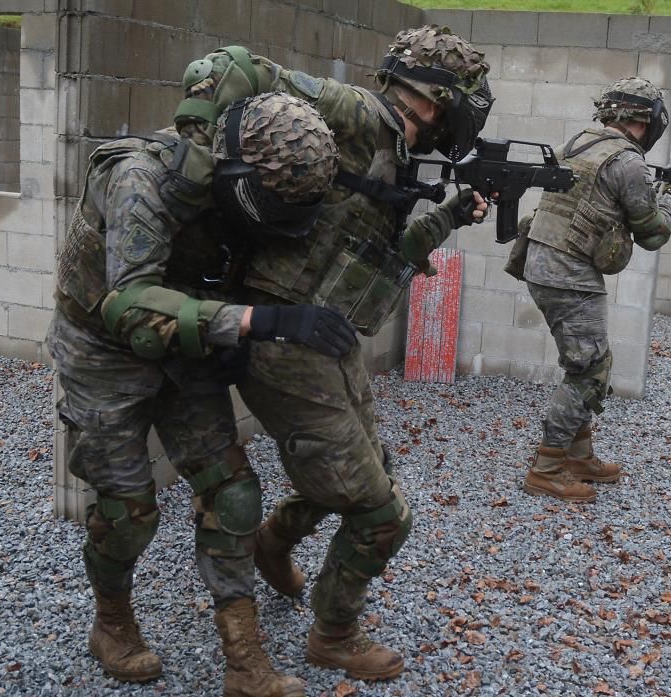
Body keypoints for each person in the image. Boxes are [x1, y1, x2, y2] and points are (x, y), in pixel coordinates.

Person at [182, 26, 493, 681]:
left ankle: (274, 540)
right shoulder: (355, 112)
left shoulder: (396, 147)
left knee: (368, 467)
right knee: (380, 510)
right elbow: (232, 64)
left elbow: (387, 254)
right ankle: (334, 633)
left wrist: (452, 215)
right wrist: (194, 160)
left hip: (330, 335)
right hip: (283, 339)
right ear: (435, 100)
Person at [48, 87, 349, 697]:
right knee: (128, 510)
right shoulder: (143, 181)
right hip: (104, 347)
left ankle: (245, 661)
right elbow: (129, 306)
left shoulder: (261, 186)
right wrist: (256, 322)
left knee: (233, 494)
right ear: (240, 174)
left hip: (184, 346)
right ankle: (111, 622)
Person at [507, 76, 671, 503]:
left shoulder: (578, 142)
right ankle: (547, 468)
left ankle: (580, 456)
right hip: (567, 271)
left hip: (543, 262)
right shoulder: (627, 162)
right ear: (648, 122)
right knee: (589, 369)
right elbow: (652, 233)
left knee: (589, 361)